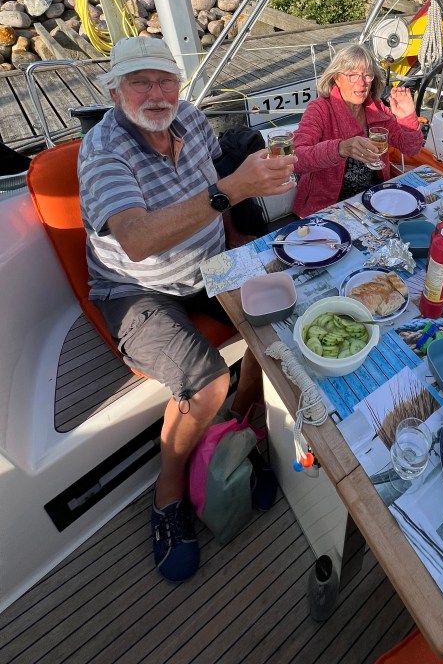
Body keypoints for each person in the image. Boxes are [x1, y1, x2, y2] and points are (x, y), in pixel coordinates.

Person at [78, 36, 295, 582]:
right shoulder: (103, 151)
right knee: (207, 382)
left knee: (275, 321)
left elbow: (213, 190)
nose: (157, 94)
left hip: (207, 264)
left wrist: (238, 245)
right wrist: (232, 190)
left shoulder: (191, 119)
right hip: (136, 288)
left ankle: (240, 431)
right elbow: (136, 240)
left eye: (166, 80)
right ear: (114, 92)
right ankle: (168, 494)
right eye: (140, 83)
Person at [293, 43, 424, 216]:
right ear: (336, 78)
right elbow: (296, 159)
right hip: (328, 208)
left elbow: (411, 148)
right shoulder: (320, 109)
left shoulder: (377, 108)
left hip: (374, 199)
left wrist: (407, 117)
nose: (361, 83)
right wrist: (340, 149)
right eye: (352, 75)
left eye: (367, 75)